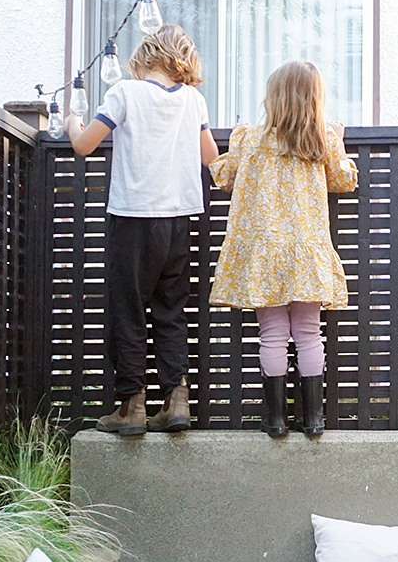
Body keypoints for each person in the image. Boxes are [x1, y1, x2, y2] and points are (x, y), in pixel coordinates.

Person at [65, 25, 219, 435]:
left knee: (128, 309)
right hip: (179, 218)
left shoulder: (125, 93)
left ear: (145, 54)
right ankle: (176, 401)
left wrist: (70, 122)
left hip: (133, 215)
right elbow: (210, 156)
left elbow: (84, 145)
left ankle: (131, 406)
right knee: (170, 311)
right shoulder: (194, 100)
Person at [208, 60, 358, 437]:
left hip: (265, 251)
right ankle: (314, 420)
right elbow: (344, 180)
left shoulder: (250, 139)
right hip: (305, 250)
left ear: (272, 98)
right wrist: (338, 138)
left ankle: (274, 420)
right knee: (309, 333)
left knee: (272, 335)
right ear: (315, 100)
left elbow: (223, 176)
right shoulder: (320, 139)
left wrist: (232, 141)